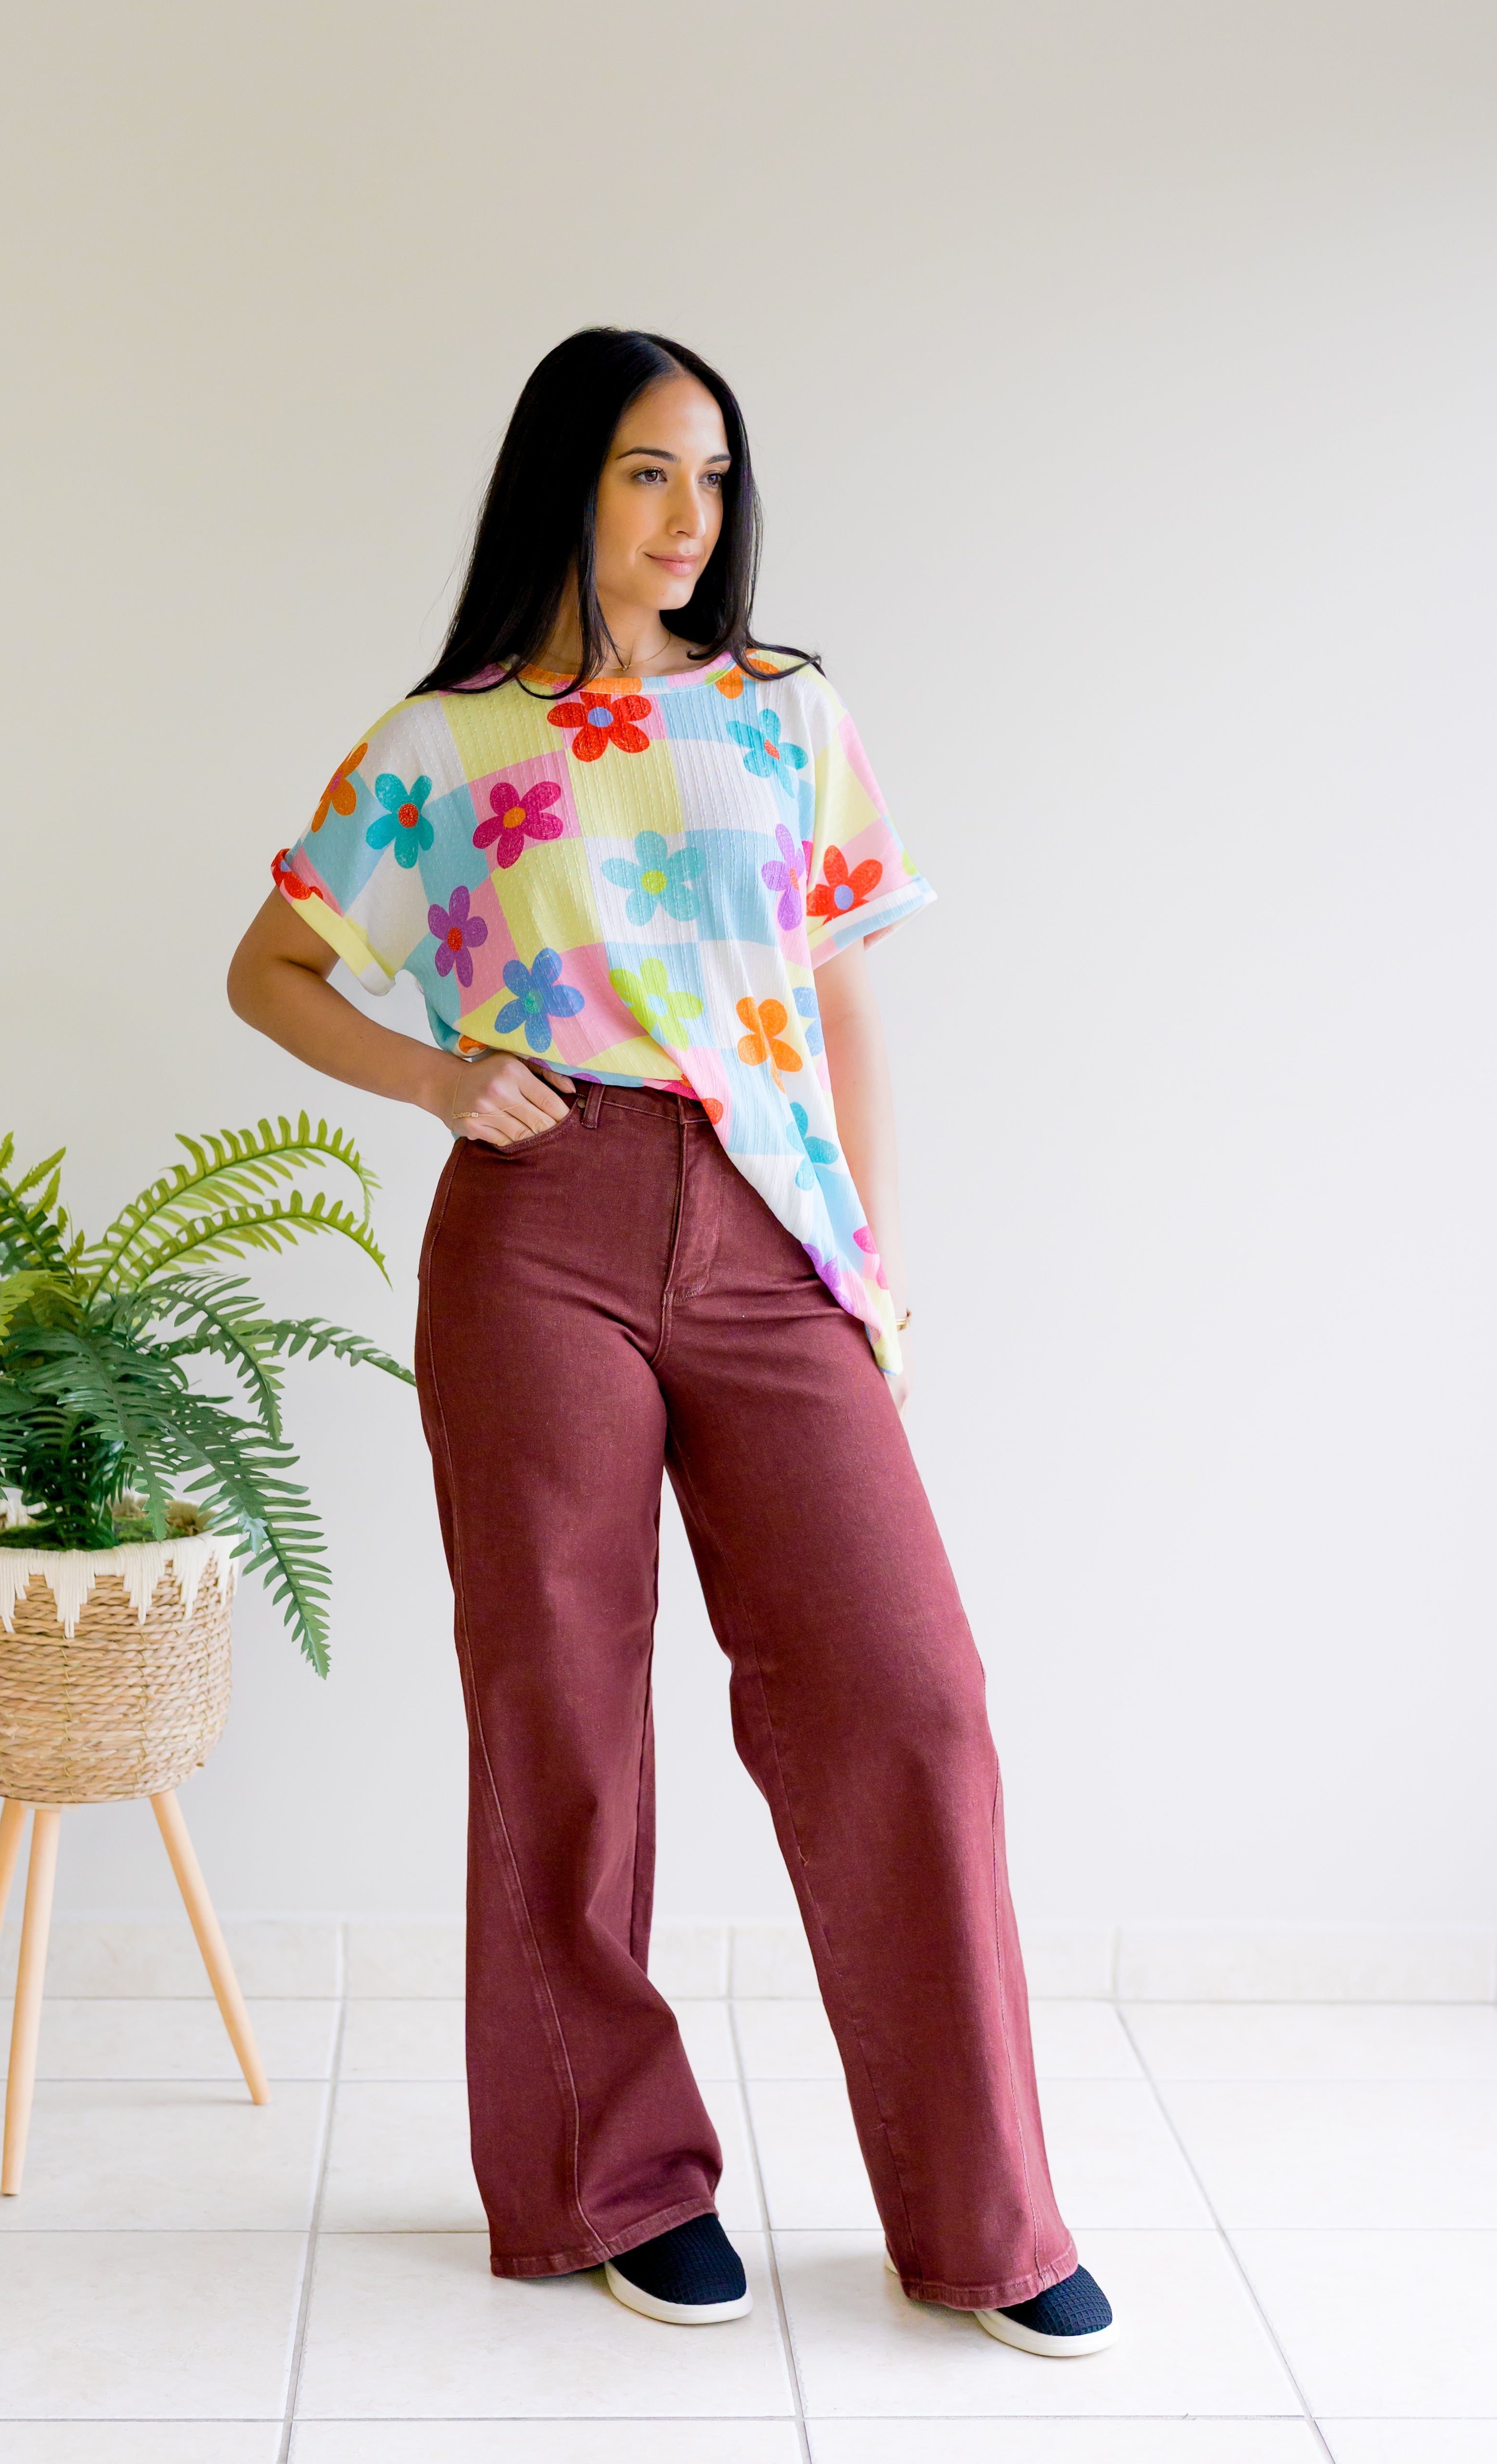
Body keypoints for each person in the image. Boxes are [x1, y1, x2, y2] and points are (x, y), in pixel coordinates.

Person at [228, 327, 1116, 2356]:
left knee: (909, 1690)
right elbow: (269, 964)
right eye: (649, 471)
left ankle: (983, 2212)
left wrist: (875, 1272)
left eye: (713, 476)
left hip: (772, 1221)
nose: (692, 514)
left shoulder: (785, 712)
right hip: (536, 1226)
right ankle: (602, 2181)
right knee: (561, 1708)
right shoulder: (445, 739)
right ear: (566, 481)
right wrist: (436, 1077)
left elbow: (839, 994)